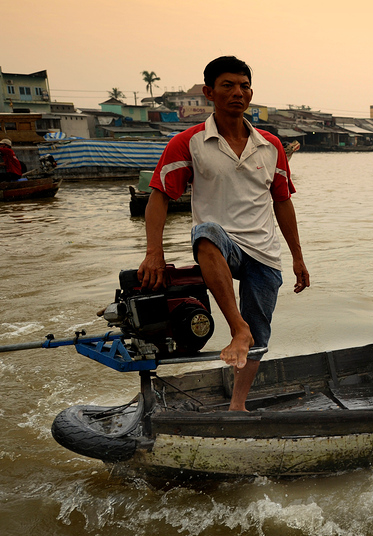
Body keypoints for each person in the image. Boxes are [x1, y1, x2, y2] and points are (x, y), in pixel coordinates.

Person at [137, 56, 310, 411]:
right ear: (209, 92)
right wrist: (154, 251)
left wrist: (297, 258)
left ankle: (237, 405)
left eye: (244, 86)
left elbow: (283, 203)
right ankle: (236, 328)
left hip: (263, 251)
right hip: (218, 246)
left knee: (260, 335)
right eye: (228, 85)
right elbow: (159, 196)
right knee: (206, 231)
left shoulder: (270, 146)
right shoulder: (190, 142)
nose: (238, 93)